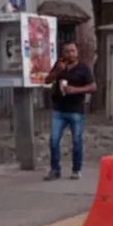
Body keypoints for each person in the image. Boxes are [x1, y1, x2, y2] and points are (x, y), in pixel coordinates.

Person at [45, 42, 95, 180]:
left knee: (77, 141)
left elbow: (93, 87)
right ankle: (55, 170)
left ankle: (76, 169)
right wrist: (56, 71)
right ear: (63, 53)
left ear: (77, 52)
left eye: (72, 51)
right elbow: (47, 80)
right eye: (67, 51)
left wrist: (75, 90)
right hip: (58, 110)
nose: (70, 54)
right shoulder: (59, 65)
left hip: (76, 110)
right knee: (54, 140)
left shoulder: (83, 68)